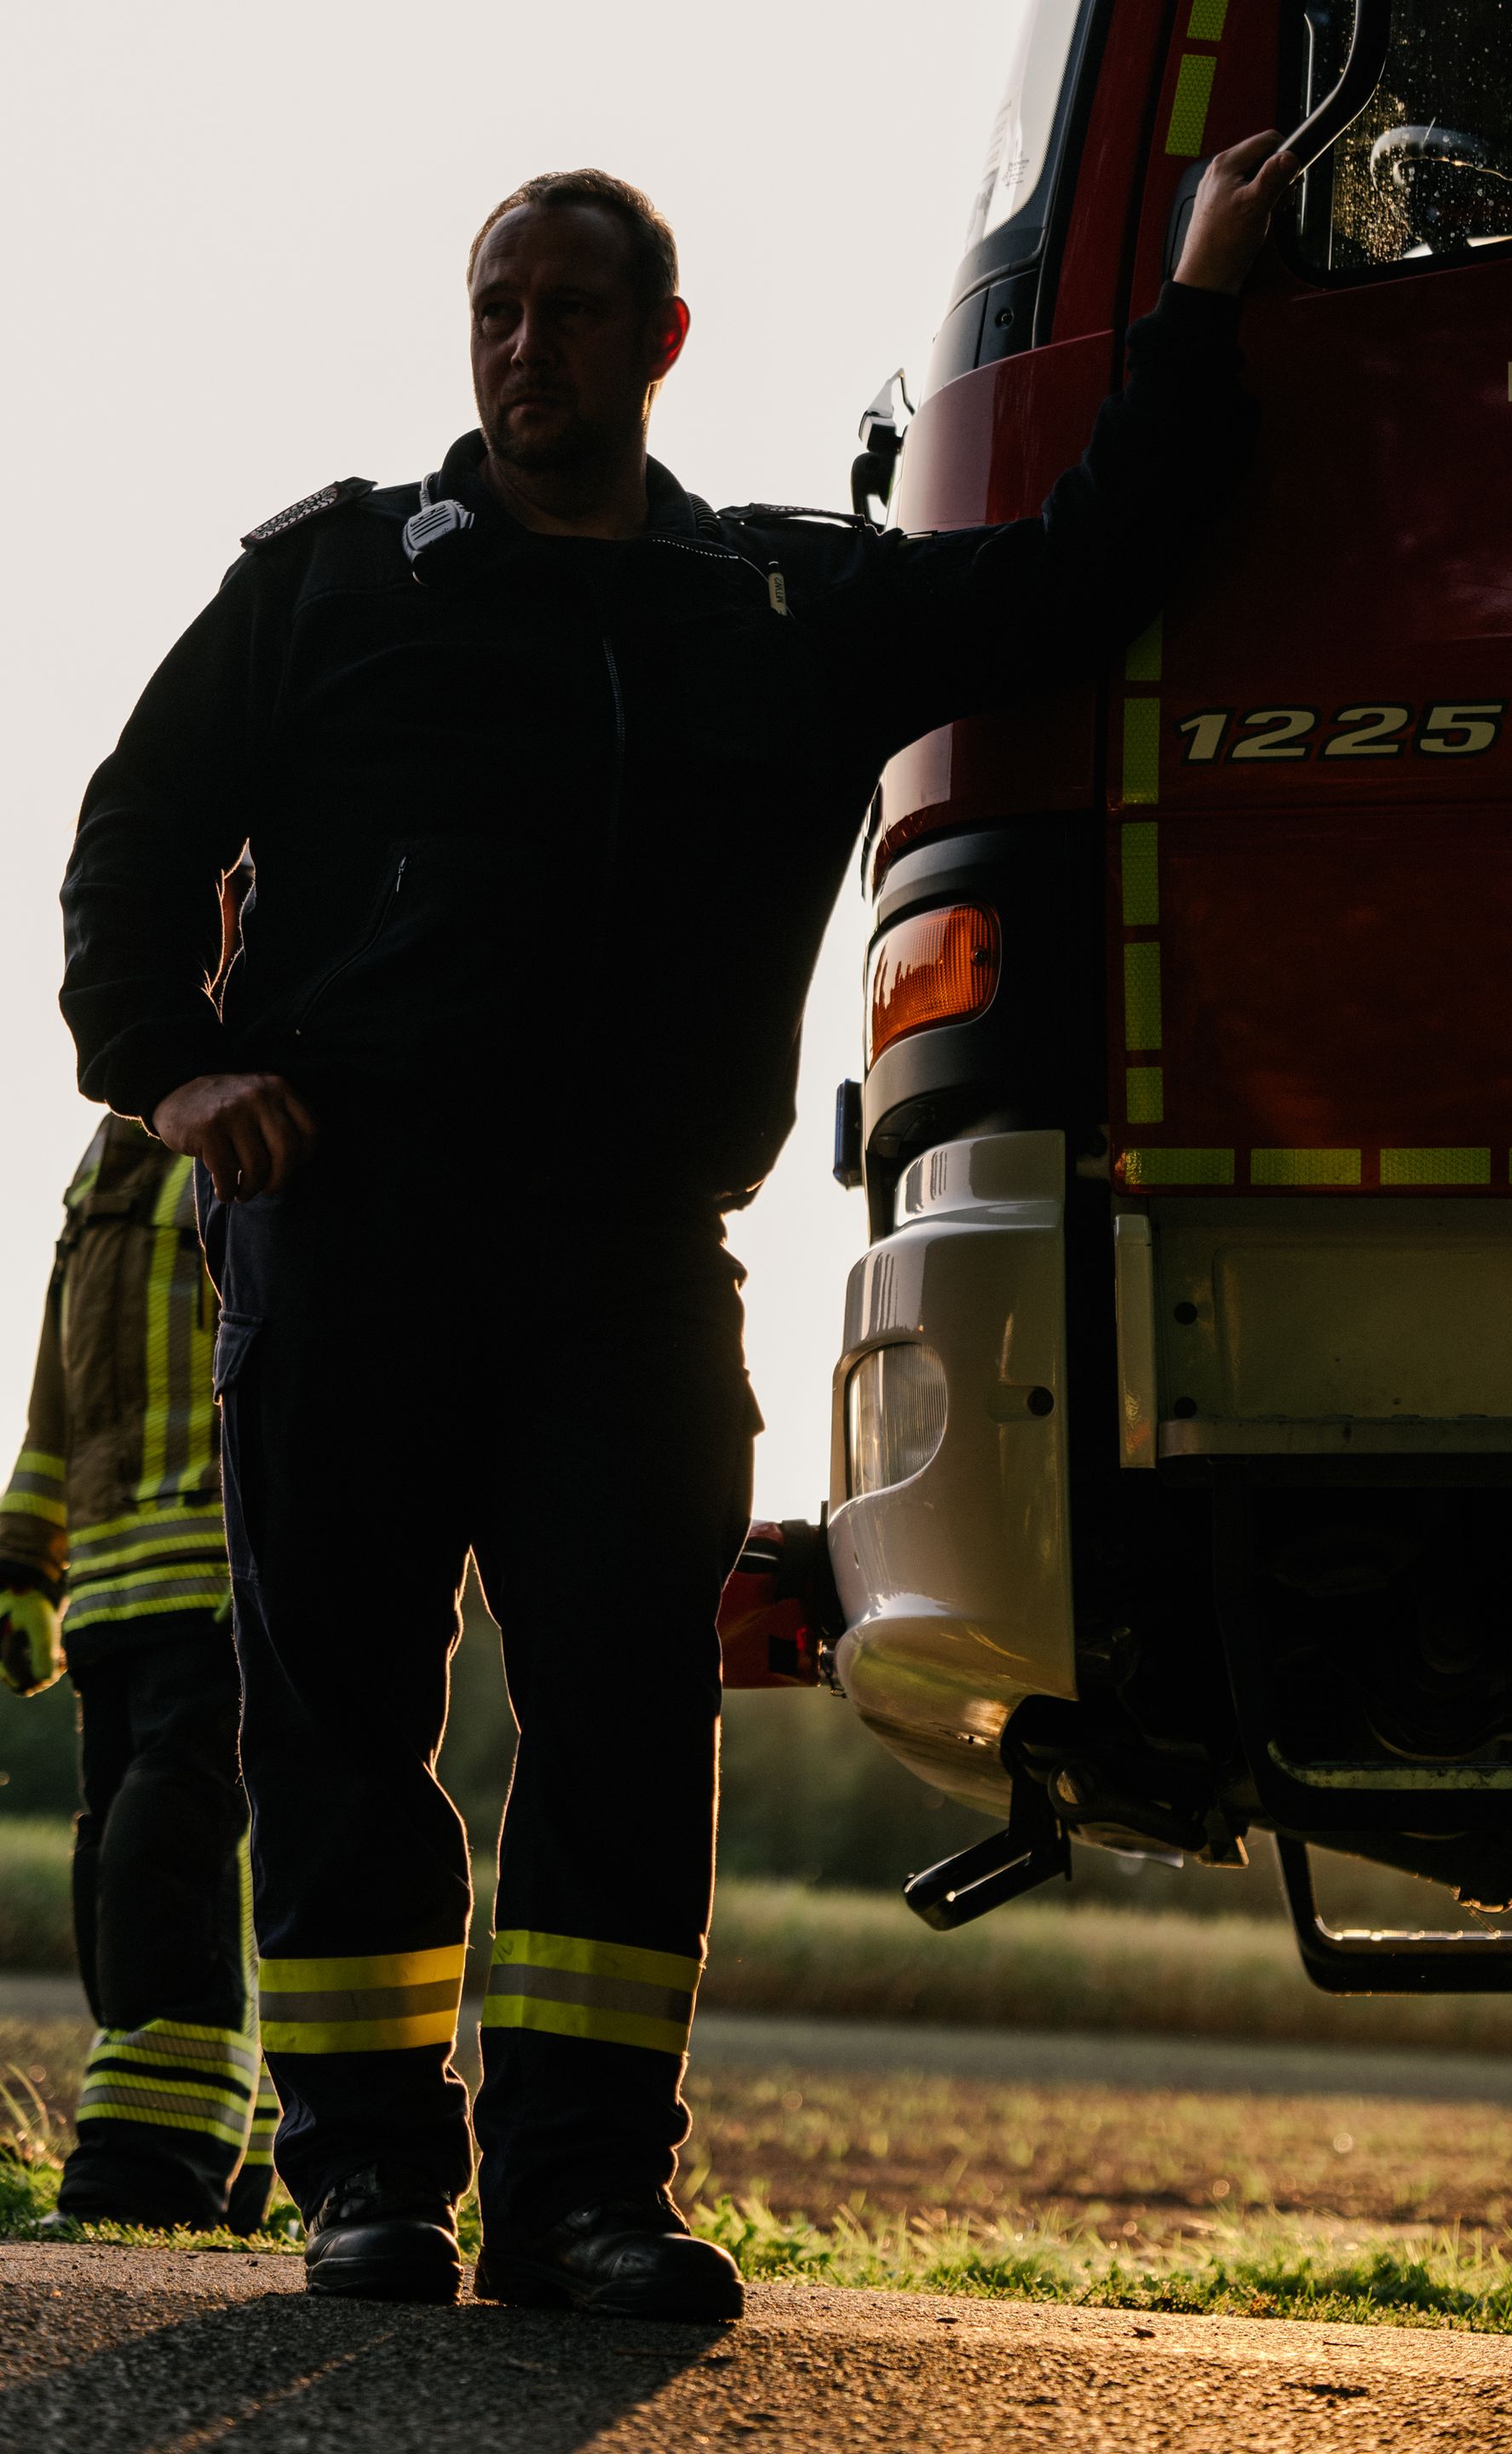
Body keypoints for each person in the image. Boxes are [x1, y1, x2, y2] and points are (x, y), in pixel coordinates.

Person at [57, 136, 1294, 2318]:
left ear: (663, 340)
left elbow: (1084, 572)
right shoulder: (334, 585)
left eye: (569, 311)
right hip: (347, 1238)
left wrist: (1202, 297)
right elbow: (131, 839)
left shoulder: (779, 614)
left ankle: (582, 2195)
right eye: (496, 310)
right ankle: (369, 2179)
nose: (524, 347)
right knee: (338, 1721)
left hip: (628, 1265)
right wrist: (174, 1069)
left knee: (629, 1718)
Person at [0, 1115, 279, 2235]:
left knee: (167, 1852)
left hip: (224, 1573)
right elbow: (58, 1385)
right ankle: (254, 2167)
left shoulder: (260, 1113)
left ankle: (155, 2169)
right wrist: (27, 1564)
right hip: (114, 1595)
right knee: (115, 1871)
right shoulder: (110, 1156)